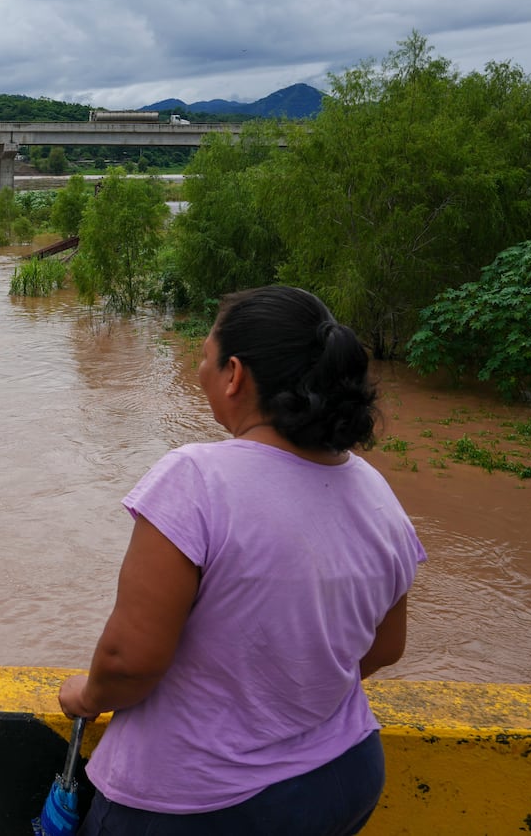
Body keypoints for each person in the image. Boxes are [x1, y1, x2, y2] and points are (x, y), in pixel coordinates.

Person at [57, 285, 426, 835]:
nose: (200, 372)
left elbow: (128, 662)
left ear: (234, 374)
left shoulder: (196, 479)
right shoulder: (375, 491)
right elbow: (386, 647)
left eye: (204, 359)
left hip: (198, 802)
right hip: (344, 777)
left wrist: (84, 695)